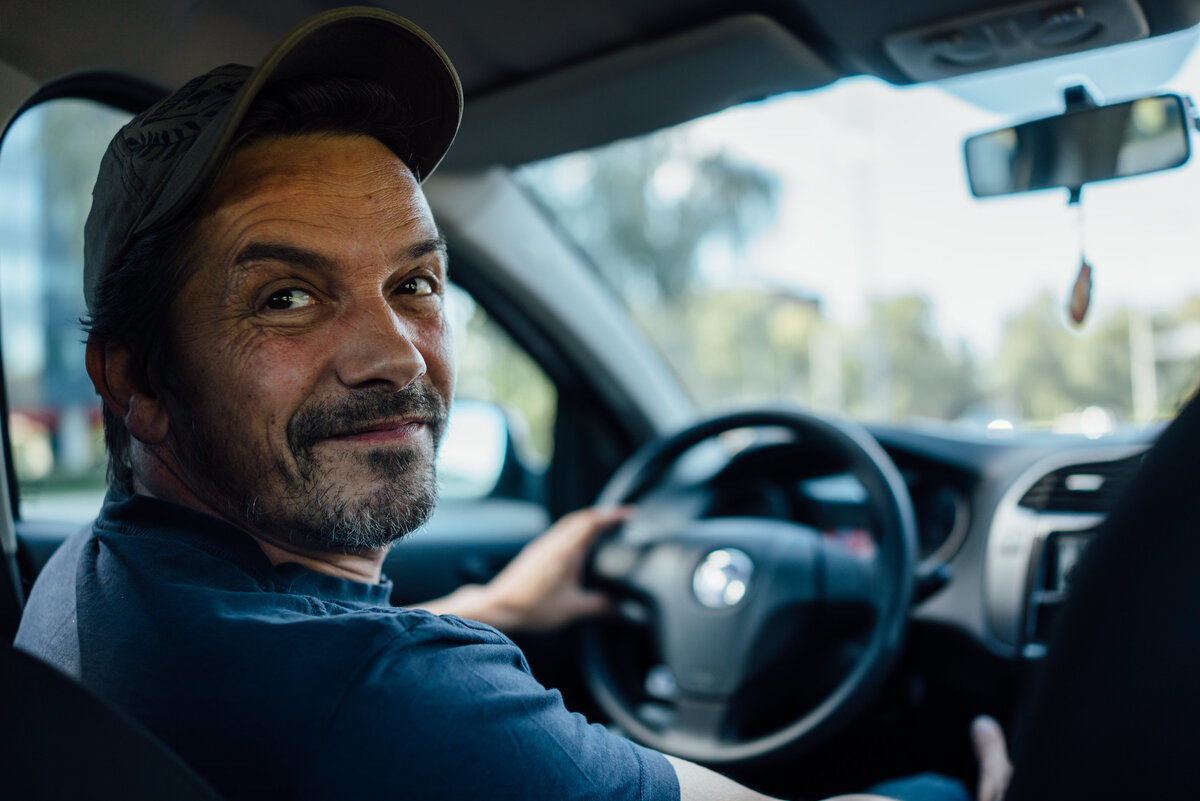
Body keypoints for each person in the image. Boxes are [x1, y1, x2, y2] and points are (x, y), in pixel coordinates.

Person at [14, 8, 1009, 800]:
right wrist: (975, 779)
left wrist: (498, 609)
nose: (395, 354)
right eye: (289, 297)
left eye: (415, 283)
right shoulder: (393, 709)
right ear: (136, 382)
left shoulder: (95, 582)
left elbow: (305, 678)